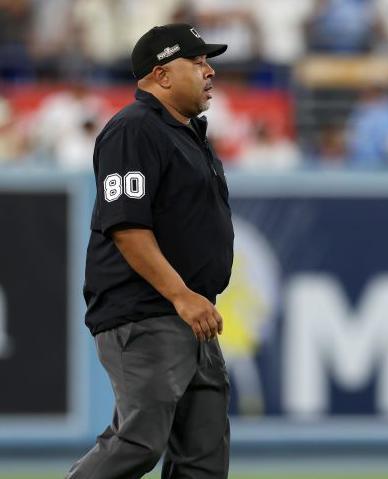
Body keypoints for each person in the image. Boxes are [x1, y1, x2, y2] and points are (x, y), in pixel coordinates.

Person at [67, 24, 232, 479]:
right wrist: (180, 295)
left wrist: (191, 301)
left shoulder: (188, 134)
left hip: (192, 314)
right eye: (197, 62)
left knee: (202, 461)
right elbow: (127, 228)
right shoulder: (133, 129)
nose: (209, 71)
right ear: (161, 75)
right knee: (138, 442)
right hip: (148, 310)